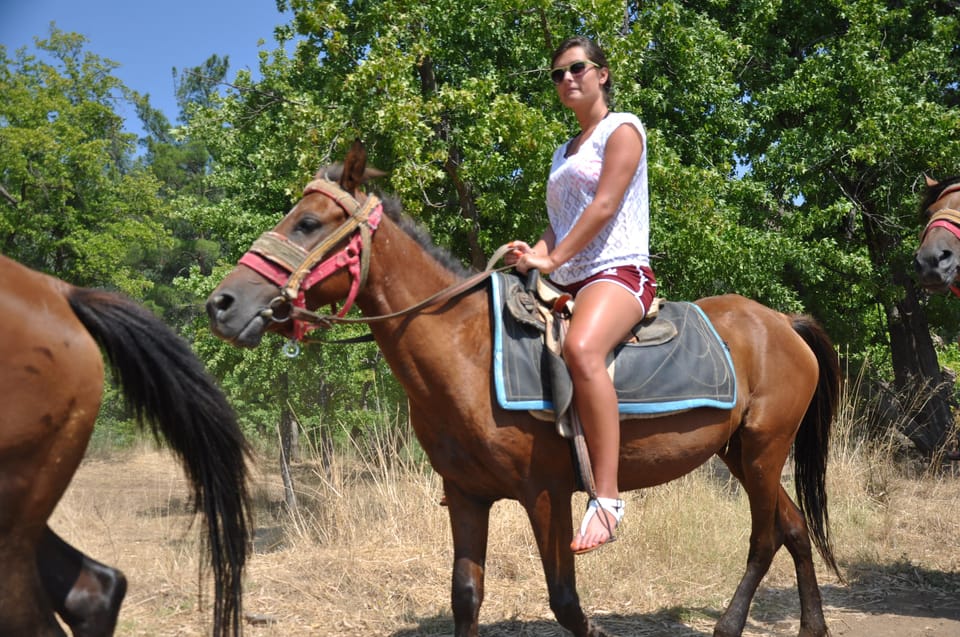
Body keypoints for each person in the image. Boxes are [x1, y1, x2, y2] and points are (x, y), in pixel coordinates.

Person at [506, 36, 656, 554]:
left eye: (577, 68)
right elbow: (561, 223)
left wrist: (552, 258)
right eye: (557, 74)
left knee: (582, 349)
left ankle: (608, 501)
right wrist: (536, 252)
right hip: (568, 278)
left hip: (620, 271)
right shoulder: (561, 151)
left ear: (603, 74)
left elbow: (605, 205)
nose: (567, 78)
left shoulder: (623, 128)